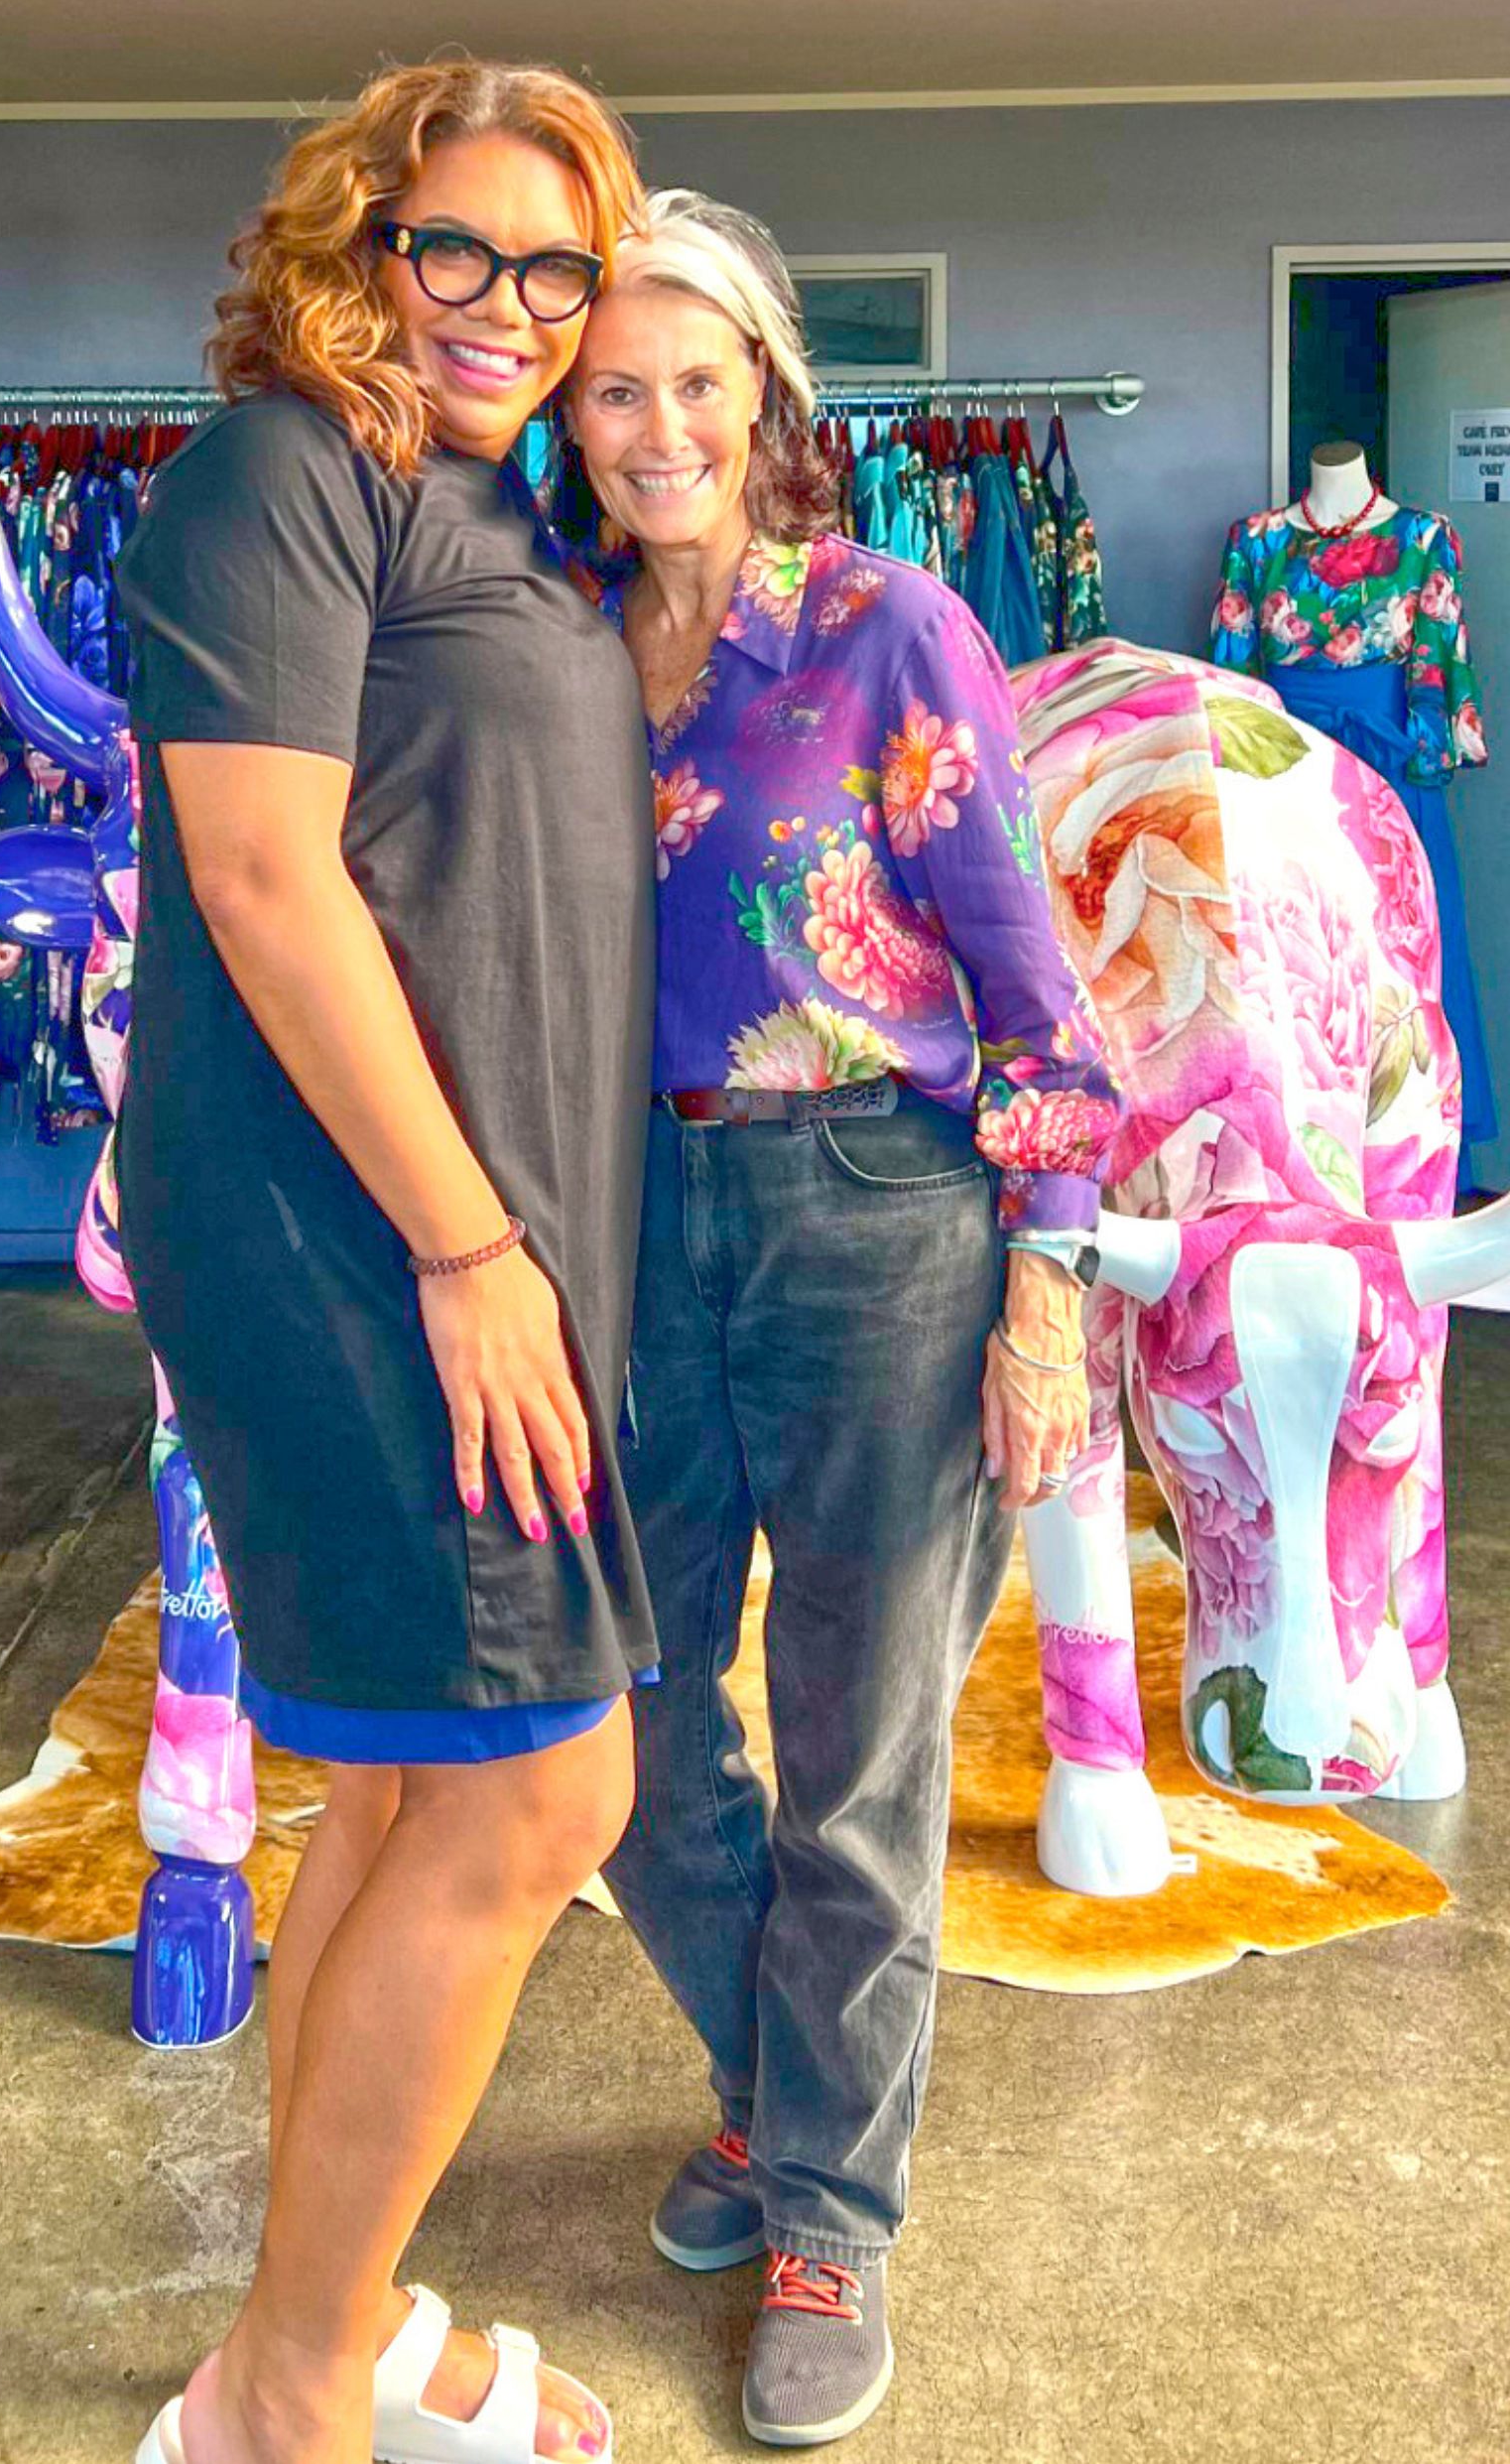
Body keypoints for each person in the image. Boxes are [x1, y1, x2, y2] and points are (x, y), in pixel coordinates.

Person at [117, 62, 657, 2464]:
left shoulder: (477, 501)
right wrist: (462, 1243)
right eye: (461, 249)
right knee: (545, 1800)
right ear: (362, 234)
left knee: (415, 1804)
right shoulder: (279, 469)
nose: (509, 309)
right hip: (367, 1243)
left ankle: (296, 2334)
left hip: (474, 1232)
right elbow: (258, 876)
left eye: (558, 268)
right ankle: (296, 2404)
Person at [560, 191, 1124, 2448]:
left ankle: (825, 2211)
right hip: (620, 1216)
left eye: (702, 381)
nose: (661, 424)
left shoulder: (893, 629)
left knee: (865, 1748)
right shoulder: (548, 633)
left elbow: (1033, 995)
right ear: (571, 421)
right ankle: (781, 2077)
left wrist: (1052, 1283)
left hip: (883, 1215)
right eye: (619, 387)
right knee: (614, 1709)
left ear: (771, 396)